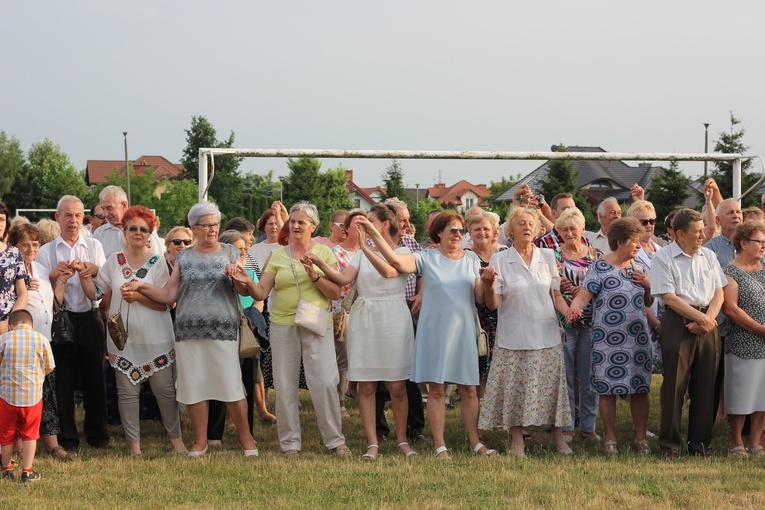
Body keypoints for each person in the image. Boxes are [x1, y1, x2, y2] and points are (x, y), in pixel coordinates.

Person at [124, 202, 258, 457]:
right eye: (206, 225)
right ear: (194, 228)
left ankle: (247, 439)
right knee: (195, 386)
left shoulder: (230, 251)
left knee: (231, 385)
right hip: (187, 332)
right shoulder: (183, 256)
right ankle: (199, 442)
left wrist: (238, 278)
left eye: (215, 225)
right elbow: (169, 294)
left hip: (224, 329)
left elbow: (243, 291)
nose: (212, 229)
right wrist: (140, 286)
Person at [363, 210, 496, 459]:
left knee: (469, 389)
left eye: (460, 231)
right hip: (435, 332)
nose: (457, 235)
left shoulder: (471, 260)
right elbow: (395, 261)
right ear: (439, 234)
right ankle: (440, 445)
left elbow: (482, 299)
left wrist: (488, 284)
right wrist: (373, 234)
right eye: (452, 230)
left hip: (464, 330)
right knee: (437, 390)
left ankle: (476, 442)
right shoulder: (426, 257)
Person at [232, 202, 350, 457]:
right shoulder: (277, 256)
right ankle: (290, 444)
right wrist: (246, 284)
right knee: (285, 385)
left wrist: (315, 276)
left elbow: (336, 293)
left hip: (317, 324)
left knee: (326, 382)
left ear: (314, 227)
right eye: (293, 221)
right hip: (283, 325)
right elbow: (261, 291)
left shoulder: (324, 254)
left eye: (301, 222)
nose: (295, 225)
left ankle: (335, 441)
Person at [308, 204, 417, 460]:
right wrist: (318, 264)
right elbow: (343, 279)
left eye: (369, 220)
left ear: (384, 225)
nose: (363, 224)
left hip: (394, 318)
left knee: (397, 386)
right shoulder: (359, 254)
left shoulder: (404, 252)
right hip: (365, 318)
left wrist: (367, 246)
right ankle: (372, 443)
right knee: (366, 386)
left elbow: (390, 271)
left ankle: (402, 440)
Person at [79, 206, 185, 456]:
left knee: (166, 393)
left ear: (151, 234)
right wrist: (83, 274)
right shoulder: (113, 260)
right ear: (124, 231)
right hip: (123, 340)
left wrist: (138, 297)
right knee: (126, 395)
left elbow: (165, 303)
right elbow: (97, 294)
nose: (138, 233)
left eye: (143, 229)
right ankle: (133, 446)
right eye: (133, 228)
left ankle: (176, 440)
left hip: (156, 338)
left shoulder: (158, 263)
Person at [478, 207, 571, 458]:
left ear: (538, 229)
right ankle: (517, 439)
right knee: (515, 390)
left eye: (531, 223)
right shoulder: (499, 259)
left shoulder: (548, 256)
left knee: (552, 389)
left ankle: (558, 436)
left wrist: (570, 311)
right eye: (521, 224)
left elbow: (556, 295)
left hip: (547, 333)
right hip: (513, 336)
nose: (527, 227)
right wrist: (487, 285)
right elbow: (493, 304)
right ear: (511, 230)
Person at [567, 217, 654, 455]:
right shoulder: (599, 267)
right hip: (607, 339)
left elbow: (648, 302)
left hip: (637, 339)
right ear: (619, 242)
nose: (638, 246)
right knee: (607, 389)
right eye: (634, 241)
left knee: (640, 388)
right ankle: (611, 438)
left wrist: (647, 285)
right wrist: (574, 309)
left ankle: (640, 438)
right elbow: (584, 296)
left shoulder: (638, 267)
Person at [650, 208, 726, 458]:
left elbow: (719, 292)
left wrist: (708, 320)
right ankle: (671, 446)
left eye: (703, 230)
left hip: (708, 323)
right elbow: (669, 297)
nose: (703, 235)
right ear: (680, 234)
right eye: (697, 232)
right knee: (675, 387)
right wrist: (701, 319)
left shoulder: (708, 256)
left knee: (706, 387)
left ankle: (701, 446)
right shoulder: (663, 258)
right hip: (678, 321)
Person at [36, 195, 109, 452]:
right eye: (68, 215)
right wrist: (57, 275)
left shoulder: (94, 246)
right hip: (61, 319)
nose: (73, 220)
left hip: (91, 316)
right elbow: (44, 292)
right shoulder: (46, 252)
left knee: (96, 380)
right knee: (63, 381)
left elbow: (101, 285)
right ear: (57, 218)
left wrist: (89, 269)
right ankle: (67, 438)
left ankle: (98, 437)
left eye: (78, 215)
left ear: (84, 218)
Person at [8, 224, 75, 461]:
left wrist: (62, 281)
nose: (30, 248)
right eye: (24, 244)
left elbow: (51, 303)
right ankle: (15, 447)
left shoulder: (42, 268)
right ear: (13, 246)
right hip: (19, 345)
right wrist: (20, 288)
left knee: (47, 394)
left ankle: (52, 444)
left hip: (44, 343)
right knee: (18, 397)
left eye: (35, 244)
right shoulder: (10, 269)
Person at [553, 207, 601, 443]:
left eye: (573, 228)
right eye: (564, 229)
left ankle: (588, 426)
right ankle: (567, 426)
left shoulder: (595, 255)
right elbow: (550, 288)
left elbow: (604, 285)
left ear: (583, 229)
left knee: (589, 374)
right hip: (564, 323)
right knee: (566, 377)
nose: (569, 232)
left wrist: (586, 293)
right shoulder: (553, 256)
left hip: (592, 322)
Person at [720, 220, 765, 457]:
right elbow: (731, 309)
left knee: (763, 394)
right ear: (744, 243)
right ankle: (737, 441)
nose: (763, 247)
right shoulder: (730, 272)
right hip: (743, 342)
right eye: (759, 242)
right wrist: (760, 329)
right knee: (741, 392)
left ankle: (756, 441)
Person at [0, 310, 55, 482]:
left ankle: (7, 469)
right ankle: (27, 471)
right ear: (32, 325)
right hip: (32, 398)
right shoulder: (41, 340)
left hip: (7, 398)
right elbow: (50, 367)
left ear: (10, 327)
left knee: (6, 434)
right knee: (30, 434)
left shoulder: (3, 339)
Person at [704, 198, 744, 422]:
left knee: (743, 379)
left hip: (747, 328)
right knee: (714, 378)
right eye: (730, 213)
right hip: (718, 325)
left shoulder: (755, 245)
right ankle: (707, 425)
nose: (736, 216)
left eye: (739, 212)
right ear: (718, 220)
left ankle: (746, 427)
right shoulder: (710, 251)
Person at [465, 210, 506, 398]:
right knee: (481, 369)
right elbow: (477, 296)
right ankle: (482, 413)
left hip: (505, 316)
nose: (482, 233)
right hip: (477, 318)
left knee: (504, 367)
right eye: (477, 229)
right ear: (469, 232)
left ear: (494, 232)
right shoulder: (464, 256)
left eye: (486, 229)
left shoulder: (505, 253)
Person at [628, 200, 663, 372]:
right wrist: (655, 323)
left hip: (665, 315)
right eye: (644, 222)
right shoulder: (631, 255)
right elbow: (638, 295)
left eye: (652, 220)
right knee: (643, 370)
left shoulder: (661, 249)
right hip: (645, 320)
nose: (649, 225)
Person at [93, 186, 163, 257]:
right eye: (103, 209)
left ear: (124, 205)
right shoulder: (99, 235)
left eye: (109, 208)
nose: (105, 214)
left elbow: (158, 260)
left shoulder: (145, 230)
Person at [0, 203, 28, 335]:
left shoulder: (14, 253)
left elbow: (22, 292)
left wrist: (10, 321)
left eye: (2, 219)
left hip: (9, 327)